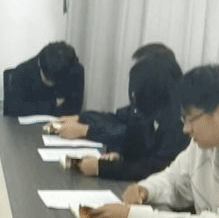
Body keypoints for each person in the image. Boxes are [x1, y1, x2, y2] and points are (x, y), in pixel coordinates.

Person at [86, 65, 219, 218]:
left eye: (190, 119)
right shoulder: (208, 142)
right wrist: (145, 190)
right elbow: (174, 180)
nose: (186, 129)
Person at [54, 46, 188, 180]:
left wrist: (101, 168)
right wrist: (119, 156)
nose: (134, 99)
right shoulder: (151, 112)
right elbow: (133, 146)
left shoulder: (180, 125)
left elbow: (152, 169)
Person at [1, 41, 85, 117]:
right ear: (40, 66)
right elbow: (15, 109)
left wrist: (37, 107)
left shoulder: (74, 70)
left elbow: (74, 109)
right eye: (49, 81)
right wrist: (54, 103)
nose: (54, 85)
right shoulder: (22, 72)